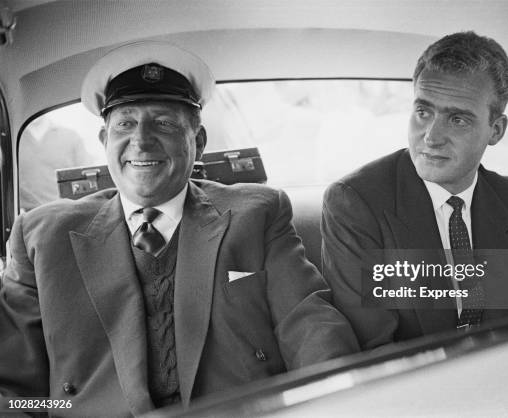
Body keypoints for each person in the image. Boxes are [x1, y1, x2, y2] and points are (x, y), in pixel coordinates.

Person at [0, 41, 359, 416]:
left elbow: (308, 323)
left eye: (164, 122)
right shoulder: (42, 236)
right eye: (125, 123)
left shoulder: (257, 213)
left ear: (198, 143)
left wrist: (337, 401)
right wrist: (58, 409)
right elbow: (12, 387)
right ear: (105, 141)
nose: (140, 140)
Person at [321, 31, 508, 351]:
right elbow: (375, 352)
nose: (431, 137)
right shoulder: (356, 203)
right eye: (423, 112)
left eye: (457, 120)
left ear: (496, 130)